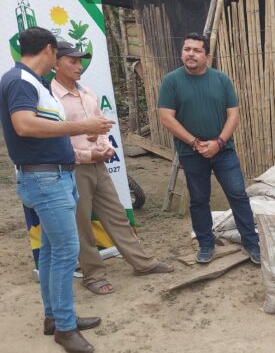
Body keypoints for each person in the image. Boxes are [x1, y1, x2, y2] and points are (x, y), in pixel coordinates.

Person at [0, 27, 113, 353]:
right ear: (49, 50)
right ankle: (65, 327)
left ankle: (55, 317)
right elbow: (24, 125)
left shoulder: (28, 82)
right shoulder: (21, 81)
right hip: (46, 180)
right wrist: (83, 127)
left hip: (52, 177)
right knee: (65, 253)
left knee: (50, 252)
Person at [52, 41, 174, 295]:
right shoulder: (51, 99)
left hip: (98, 164)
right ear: (56, 63)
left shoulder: (88, 94)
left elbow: (102, 127)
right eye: (72, 61)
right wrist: (88, 153)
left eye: (80, 61)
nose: (79, 66)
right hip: (72, 169)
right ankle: (93, 275)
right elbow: (55, 141)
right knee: (82, 223)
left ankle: (142, 263)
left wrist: (106, 148)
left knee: (116, 215)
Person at [158, 32, 260, 264]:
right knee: (199, 199)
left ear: (207, 56)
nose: (190, 54)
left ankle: (252, 243)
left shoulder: (221, 80)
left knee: (238, 195)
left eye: (196, 50)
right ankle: (206, 244)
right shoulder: (171, 81)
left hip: (223, 150)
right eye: (187, 49)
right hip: (190, 152)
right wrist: (195, 142)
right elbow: (166, 118)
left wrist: (219, 143)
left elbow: (233, 115)